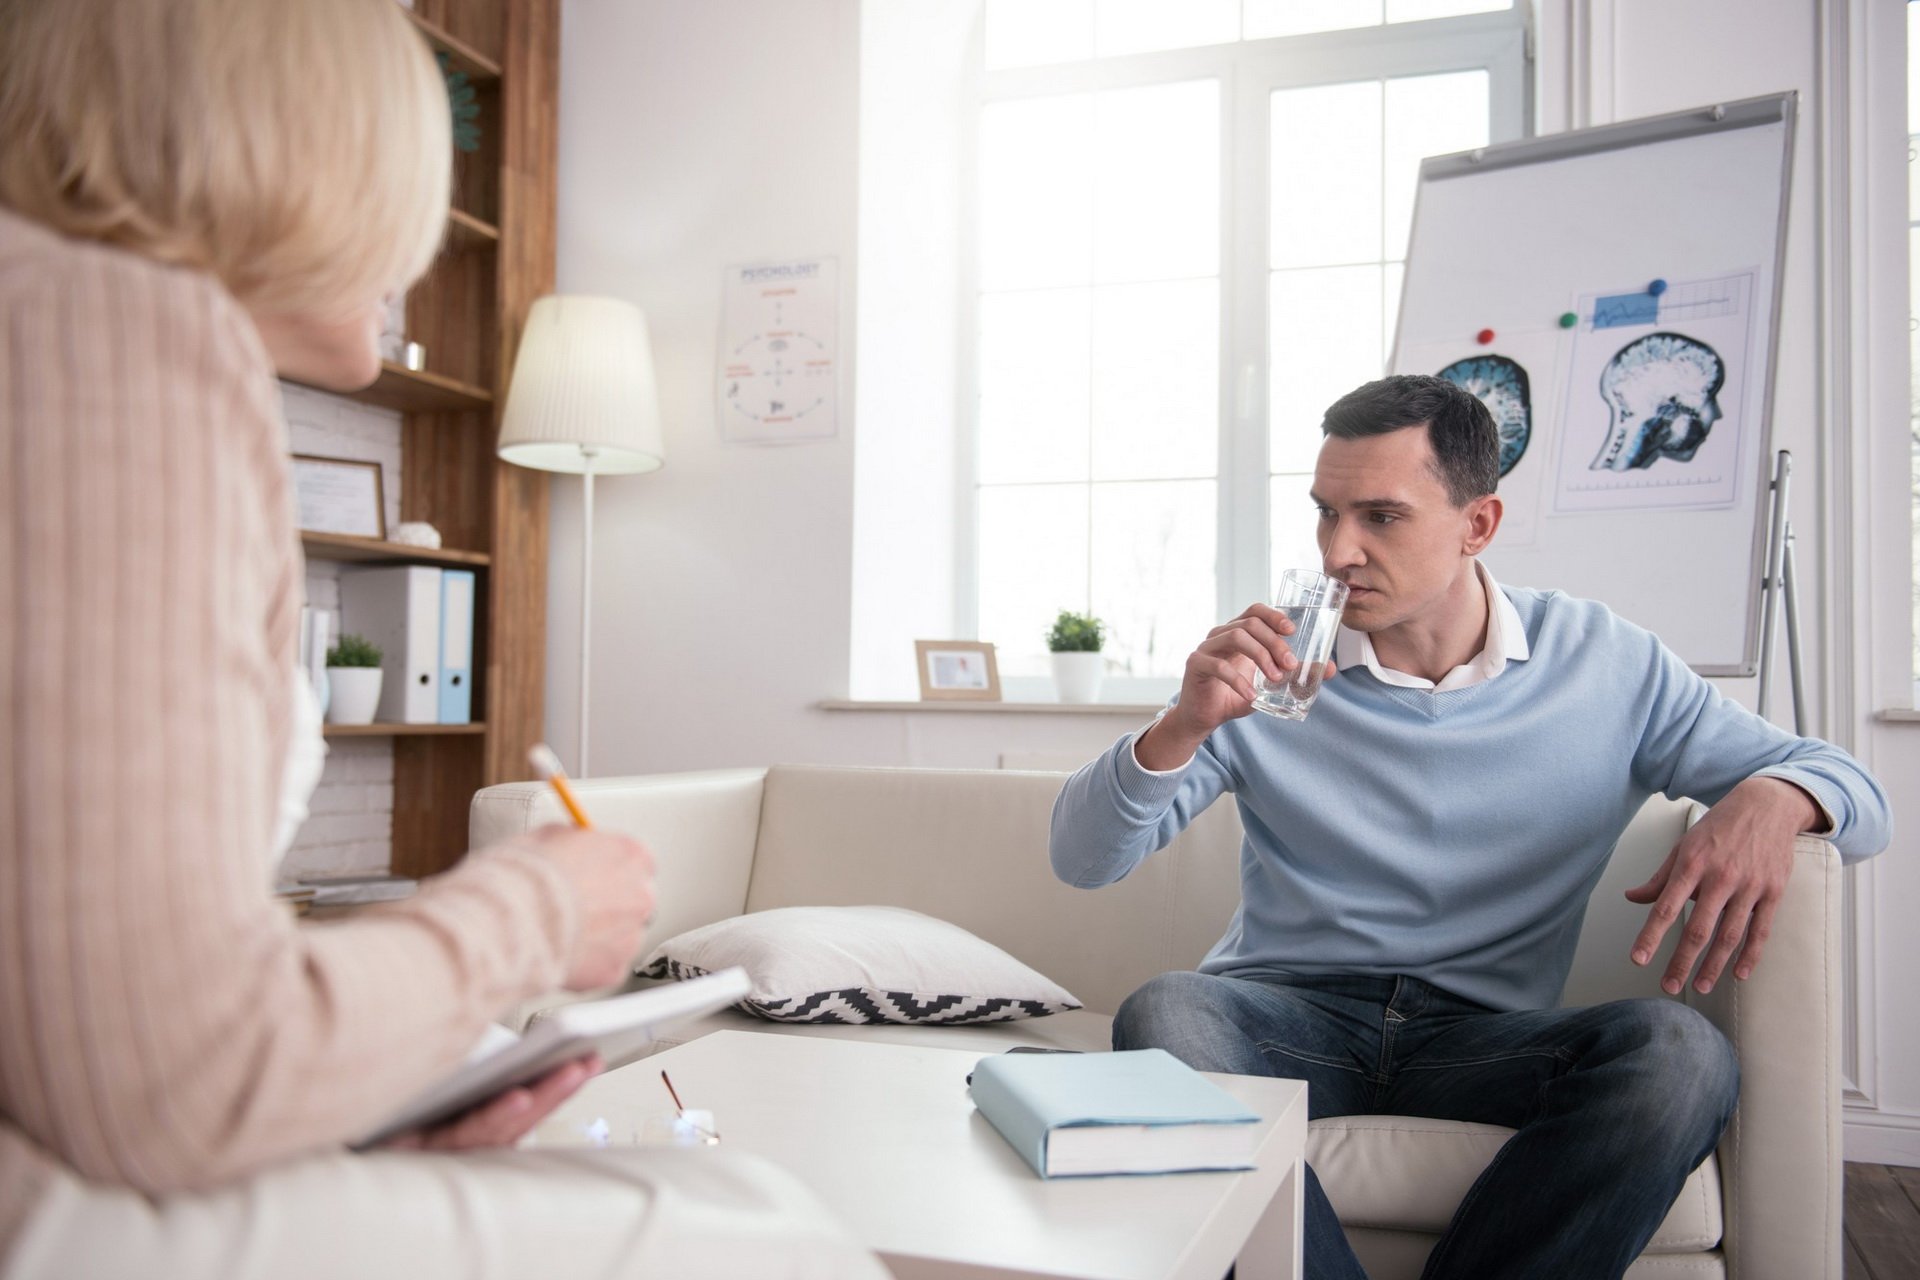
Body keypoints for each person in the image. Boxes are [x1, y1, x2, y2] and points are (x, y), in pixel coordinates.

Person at [0, 2, 881, 1276]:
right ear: (275, 148)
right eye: (401, 177)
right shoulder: (116, 340)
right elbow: (161, 1073)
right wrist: (531, 909)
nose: (413, 244)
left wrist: (354, 1107)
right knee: (769, 1230)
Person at [1049, 374, 1891, 1280]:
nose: (1338, 552)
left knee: (1680, 1054)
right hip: (1287, 1018)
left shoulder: (1603, 663)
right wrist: (1181, 725)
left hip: (1485, 1039)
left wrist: (1777, 794)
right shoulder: (1271, 664)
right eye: (1326, 513)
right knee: (1168, 1009)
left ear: (1477, 524)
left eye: (1381, 517)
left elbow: (1862, 799)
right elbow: (1081, 861)